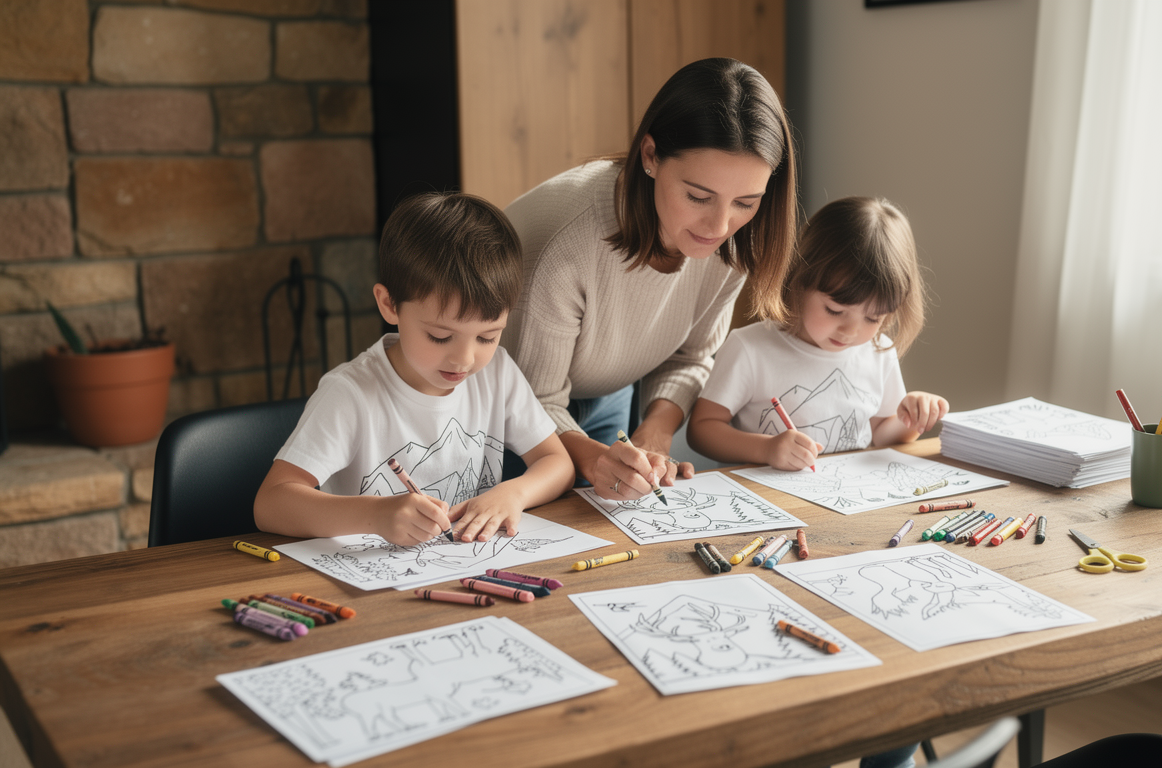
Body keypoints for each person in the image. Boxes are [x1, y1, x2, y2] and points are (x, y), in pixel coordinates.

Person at [501, 57, 798, 502]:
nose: (720, 226)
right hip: (498, 401)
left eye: (746, 201)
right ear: (650, 156)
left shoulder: (735, 242)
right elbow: (533, 398)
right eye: (698, 196)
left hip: (607, 384)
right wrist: (594, 460)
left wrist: (655, 434)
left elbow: (692, 356)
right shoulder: (568, 247)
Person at [254, 193, 574, 546]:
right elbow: (271, 503)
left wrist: (515, 494)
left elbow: (557, 462)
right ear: (389, 304)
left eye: (487, 336)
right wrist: (374, 515)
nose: (464, 359)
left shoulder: (497, 373)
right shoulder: (350, 394)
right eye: (440, 336)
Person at [687, 196, 950, 472]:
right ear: (799, 280)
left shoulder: (879, 351)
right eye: (835, 310)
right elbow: (702, 430)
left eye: (874, 318)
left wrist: (912, 418)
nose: (851, 331)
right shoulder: (750, 349)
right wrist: (766, 449)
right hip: (764, 500)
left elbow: (880, 433)